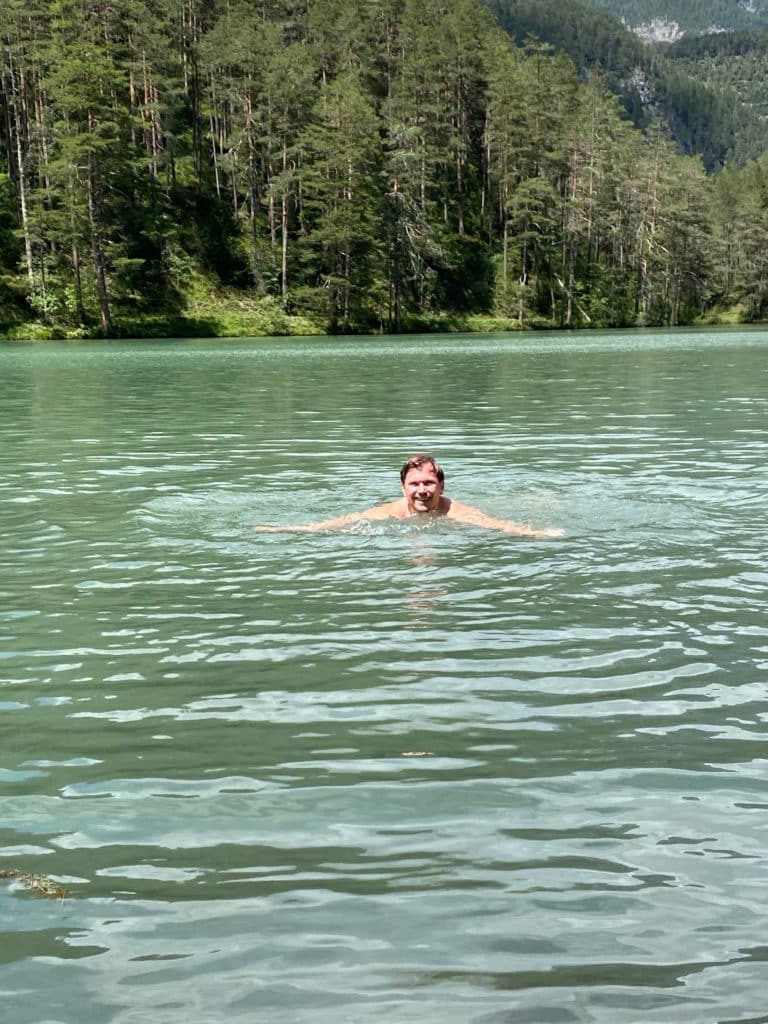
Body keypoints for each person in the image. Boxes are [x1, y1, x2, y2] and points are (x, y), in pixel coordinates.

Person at [253, 453, 564, 537]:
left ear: (441, 487)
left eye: (429, 483)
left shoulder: (455, 511)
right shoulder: (390, 512)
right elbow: (343, 522)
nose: (422, 490)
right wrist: (291, 529)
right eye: (414, 484)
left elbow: (498, 524)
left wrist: (536, 533)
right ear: (403, 488)